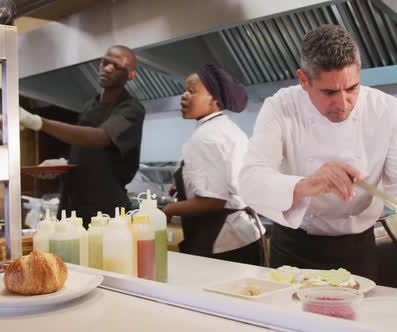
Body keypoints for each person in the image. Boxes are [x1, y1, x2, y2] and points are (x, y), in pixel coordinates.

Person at [239, 25, 397, 279]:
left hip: (357, 251)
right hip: (294, 249)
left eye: (352, 88)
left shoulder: (385, 109)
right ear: (303, 80)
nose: (343, 104)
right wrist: (306, 184)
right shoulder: (281, 107)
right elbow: (250, 180)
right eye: (329, 92)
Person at [19, 45, 145, 227]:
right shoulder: (89, 106)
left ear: (131, 75)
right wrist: (65, 163)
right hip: (72, 206)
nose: (108, 68)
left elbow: (99, 137)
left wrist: (39, 123)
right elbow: (83, 146)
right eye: (105, 62)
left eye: (117, 66)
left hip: (106, 211)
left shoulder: (131, 109)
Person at [163, 64, 265, 265]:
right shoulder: (227, 129)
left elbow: (213, 201)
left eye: (192, 91)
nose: (184, 96)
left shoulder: (206, 137)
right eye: (184, 90)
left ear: (215, 100)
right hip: (244, 236)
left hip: (223, 240)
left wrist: (168, 210)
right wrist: (188, 186)